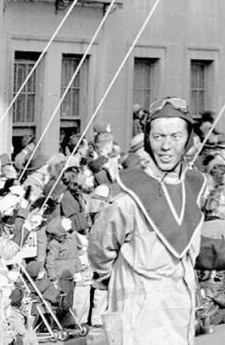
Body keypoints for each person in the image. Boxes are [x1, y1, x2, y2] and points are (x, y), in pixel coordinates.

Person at [88, 96, 210, 344]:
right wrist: (111, 279)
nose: (166, 146)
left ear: (188, 140)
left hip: (178, 312)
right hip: (138, 316)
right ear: (147, 140)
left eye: (175, 136)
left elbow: (187, 245)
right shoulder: (127, 199)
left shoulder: (194, 189)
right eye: (158, 137)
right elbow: (100, 249)